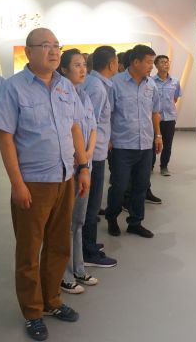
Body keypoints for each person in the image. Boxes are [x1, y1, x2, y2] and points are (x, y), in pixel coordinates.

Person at [0, 27, 91, 341]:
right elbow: (5, 137)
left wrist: (83, 166)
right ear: (29, 51)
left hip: (65, 178)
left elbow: (75, 127)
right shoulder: (14, 88)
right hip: (33, 183)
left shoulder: (65, 86)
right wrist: (17, 183)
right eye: (46, 45)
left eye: (56, 45)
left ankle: (52, 300)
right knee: (29, 251)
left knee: (59, 245)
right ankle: (33, 312)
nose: (54, 51)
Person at [105, 44, 162, 239]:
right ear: (136, 62)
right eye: (148, 62)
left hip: (145, 145)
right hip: (122, 145)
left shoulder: (151, 84)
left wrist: (158, 135)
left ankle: (135, 222)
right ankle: (112, 217)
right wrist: (108, 139)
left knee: (141, 186)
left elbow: (155, 112)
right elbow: (107, 114)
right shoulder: (115, 84)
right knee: (119, 186)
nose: (152, 66)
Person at [57, 49, 98, 295]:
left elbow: (93, 127)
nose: (83, 69)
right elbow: (67, 131)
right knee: (65, 224)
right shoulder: (60, 94)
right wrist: (81, 158)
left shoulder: (84, 95)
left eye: (84, 64)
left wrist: (87, 154)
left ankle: (79, 268)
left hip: (84, 166)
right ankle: (64, 274)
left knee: (78, 221)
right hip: (69, 168)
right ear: (63, 69)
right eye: (76, 65)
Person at [81, 45, 119, 268]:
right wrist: (86, 159)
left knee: (90, 204)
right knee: (91, 205)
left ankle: (88, 244)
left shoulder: (94, 83)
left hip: (94, 152)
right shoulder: (97, 88)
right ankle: (88, 251)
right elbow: (89, 125)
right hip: (92, 155)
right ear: (112, 64)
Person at [152, 55, 182, 176]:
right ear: (156, 65)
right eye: (162, 62)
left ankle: (164, 167)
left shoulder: (175, 81)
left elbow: (175, 98)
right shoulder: (151, 81)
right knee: (152, 144)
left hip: (169, 118)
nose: (166, 64)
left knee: (167, 144)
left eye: (167, 62)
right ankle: (149, 166)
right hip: (154, 118)